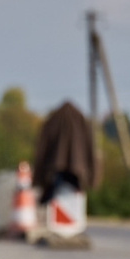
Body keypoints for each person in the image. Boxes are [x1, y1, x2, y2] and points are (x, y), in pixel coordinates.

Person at [32, 100, 98, 249]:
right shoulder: (81, 123)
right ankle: (67, 229)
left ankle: (62, 229)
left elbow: (41, 150)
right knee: (67, 195)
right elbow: (91, 150)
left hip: (57, 171)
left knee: (60, 194)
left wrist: (40, 176)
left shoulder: (52, 123)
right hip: (73, 173)